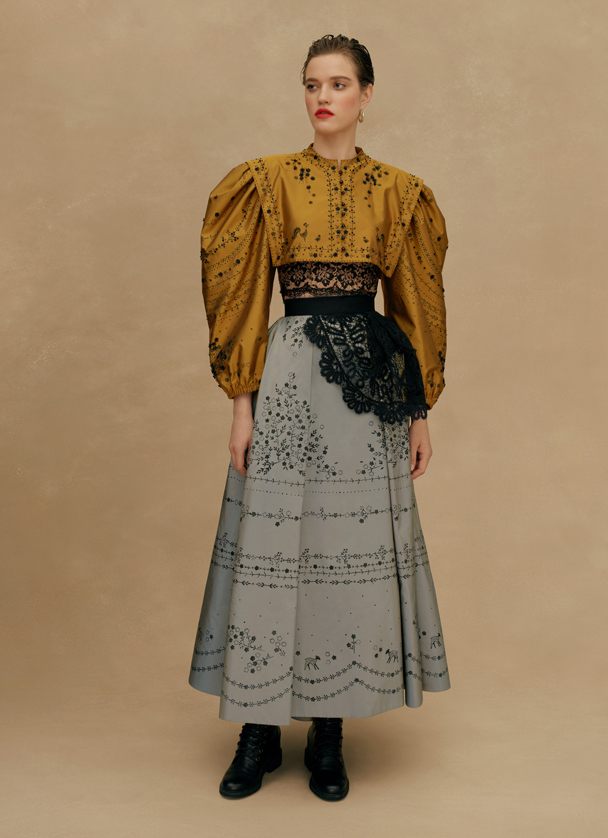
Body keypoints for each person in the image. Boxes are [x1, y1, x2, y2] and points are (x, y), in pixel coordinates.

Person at [188, 34, 451, 802]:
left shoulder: (402, 193)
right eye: (312, 84)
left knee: (347, 548)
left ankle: (329, 734)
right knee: (273, 548)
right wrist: (241, 407)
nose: (323, 96)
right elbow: (239, 296)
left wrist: (420, 411)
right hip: (287, 377)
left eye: (338, 83)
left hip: (369, 388)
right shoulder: (264, 182)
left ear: (366, 96)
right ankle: (259, 731)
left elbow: (417, 306)